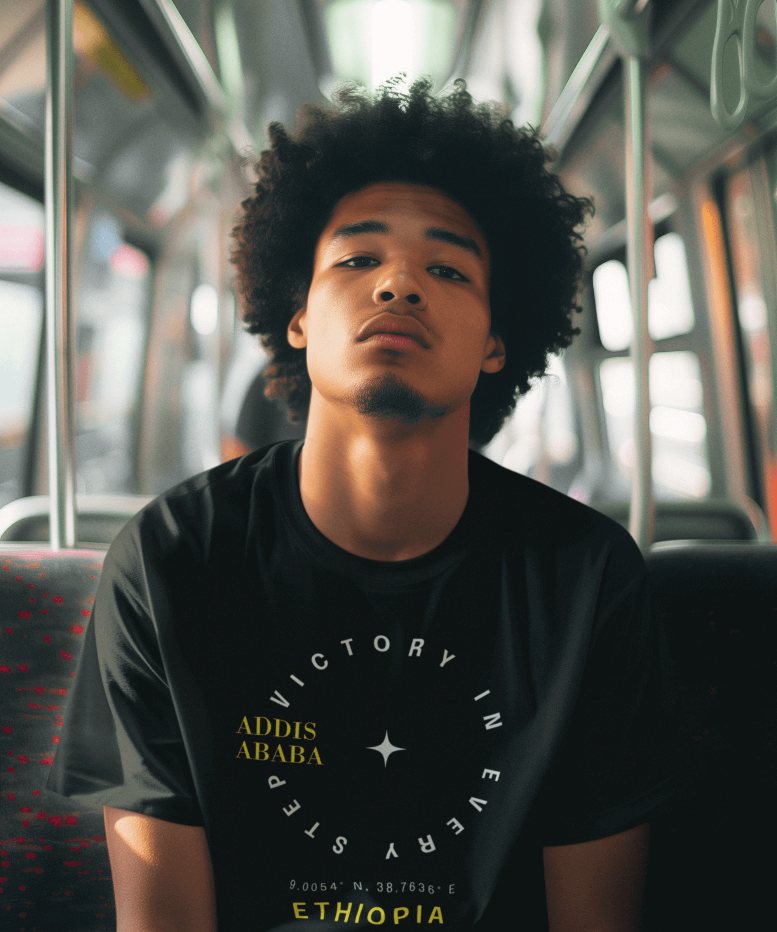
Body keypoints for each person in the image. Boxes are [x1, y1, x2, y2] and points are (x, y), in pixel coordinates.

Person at [48, 79, 679, 931]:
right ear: (298, 317)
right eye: (356, 260)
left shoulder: (585, 579)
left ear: (497, 343)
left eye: (446, 269)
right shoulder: (171, 560)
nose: (399, 284)